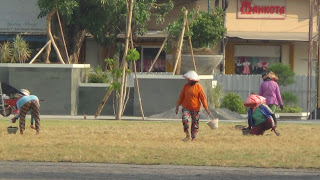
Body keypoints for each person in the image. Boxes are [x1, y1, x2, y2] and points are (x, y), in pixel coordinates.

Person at [175, 71, 211, 141]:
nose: (188, 81)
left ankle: (193, 137)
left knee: (195, 123)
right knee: (185, 120)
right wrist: (177, 106)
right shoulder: (185, 87)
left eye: (189, 80)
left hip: (195, 109)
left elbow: (203, 98)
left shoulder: (199, 87)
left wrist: (206, 108)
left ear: (193, 80)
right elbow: (181, 97)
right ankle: (187, 134)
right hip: (186, 108)